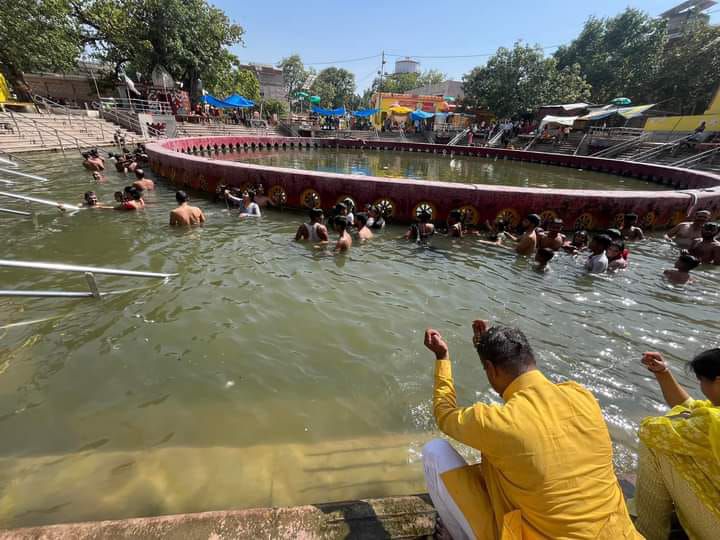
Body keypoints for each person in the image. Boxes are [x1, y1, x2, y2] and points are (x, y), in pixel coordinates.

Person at [421, 322, 640, 540]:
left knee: (435, 450)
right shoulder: (582, 396)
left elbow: (444, 413)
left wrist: (442, 358)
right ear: (530, 358)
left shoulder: (499, 422)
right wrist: (486, 348)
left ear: (490, 369)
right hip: (621, 533)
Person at [634, 349, 720, 540]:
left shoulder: (712, 422)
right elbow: (692, 407)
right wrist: (663, 373)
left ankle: (648, 533)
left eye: (702, 381)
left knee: (656, 447)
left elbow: (650, 431)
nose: (702, 387)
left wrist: (675, 419)